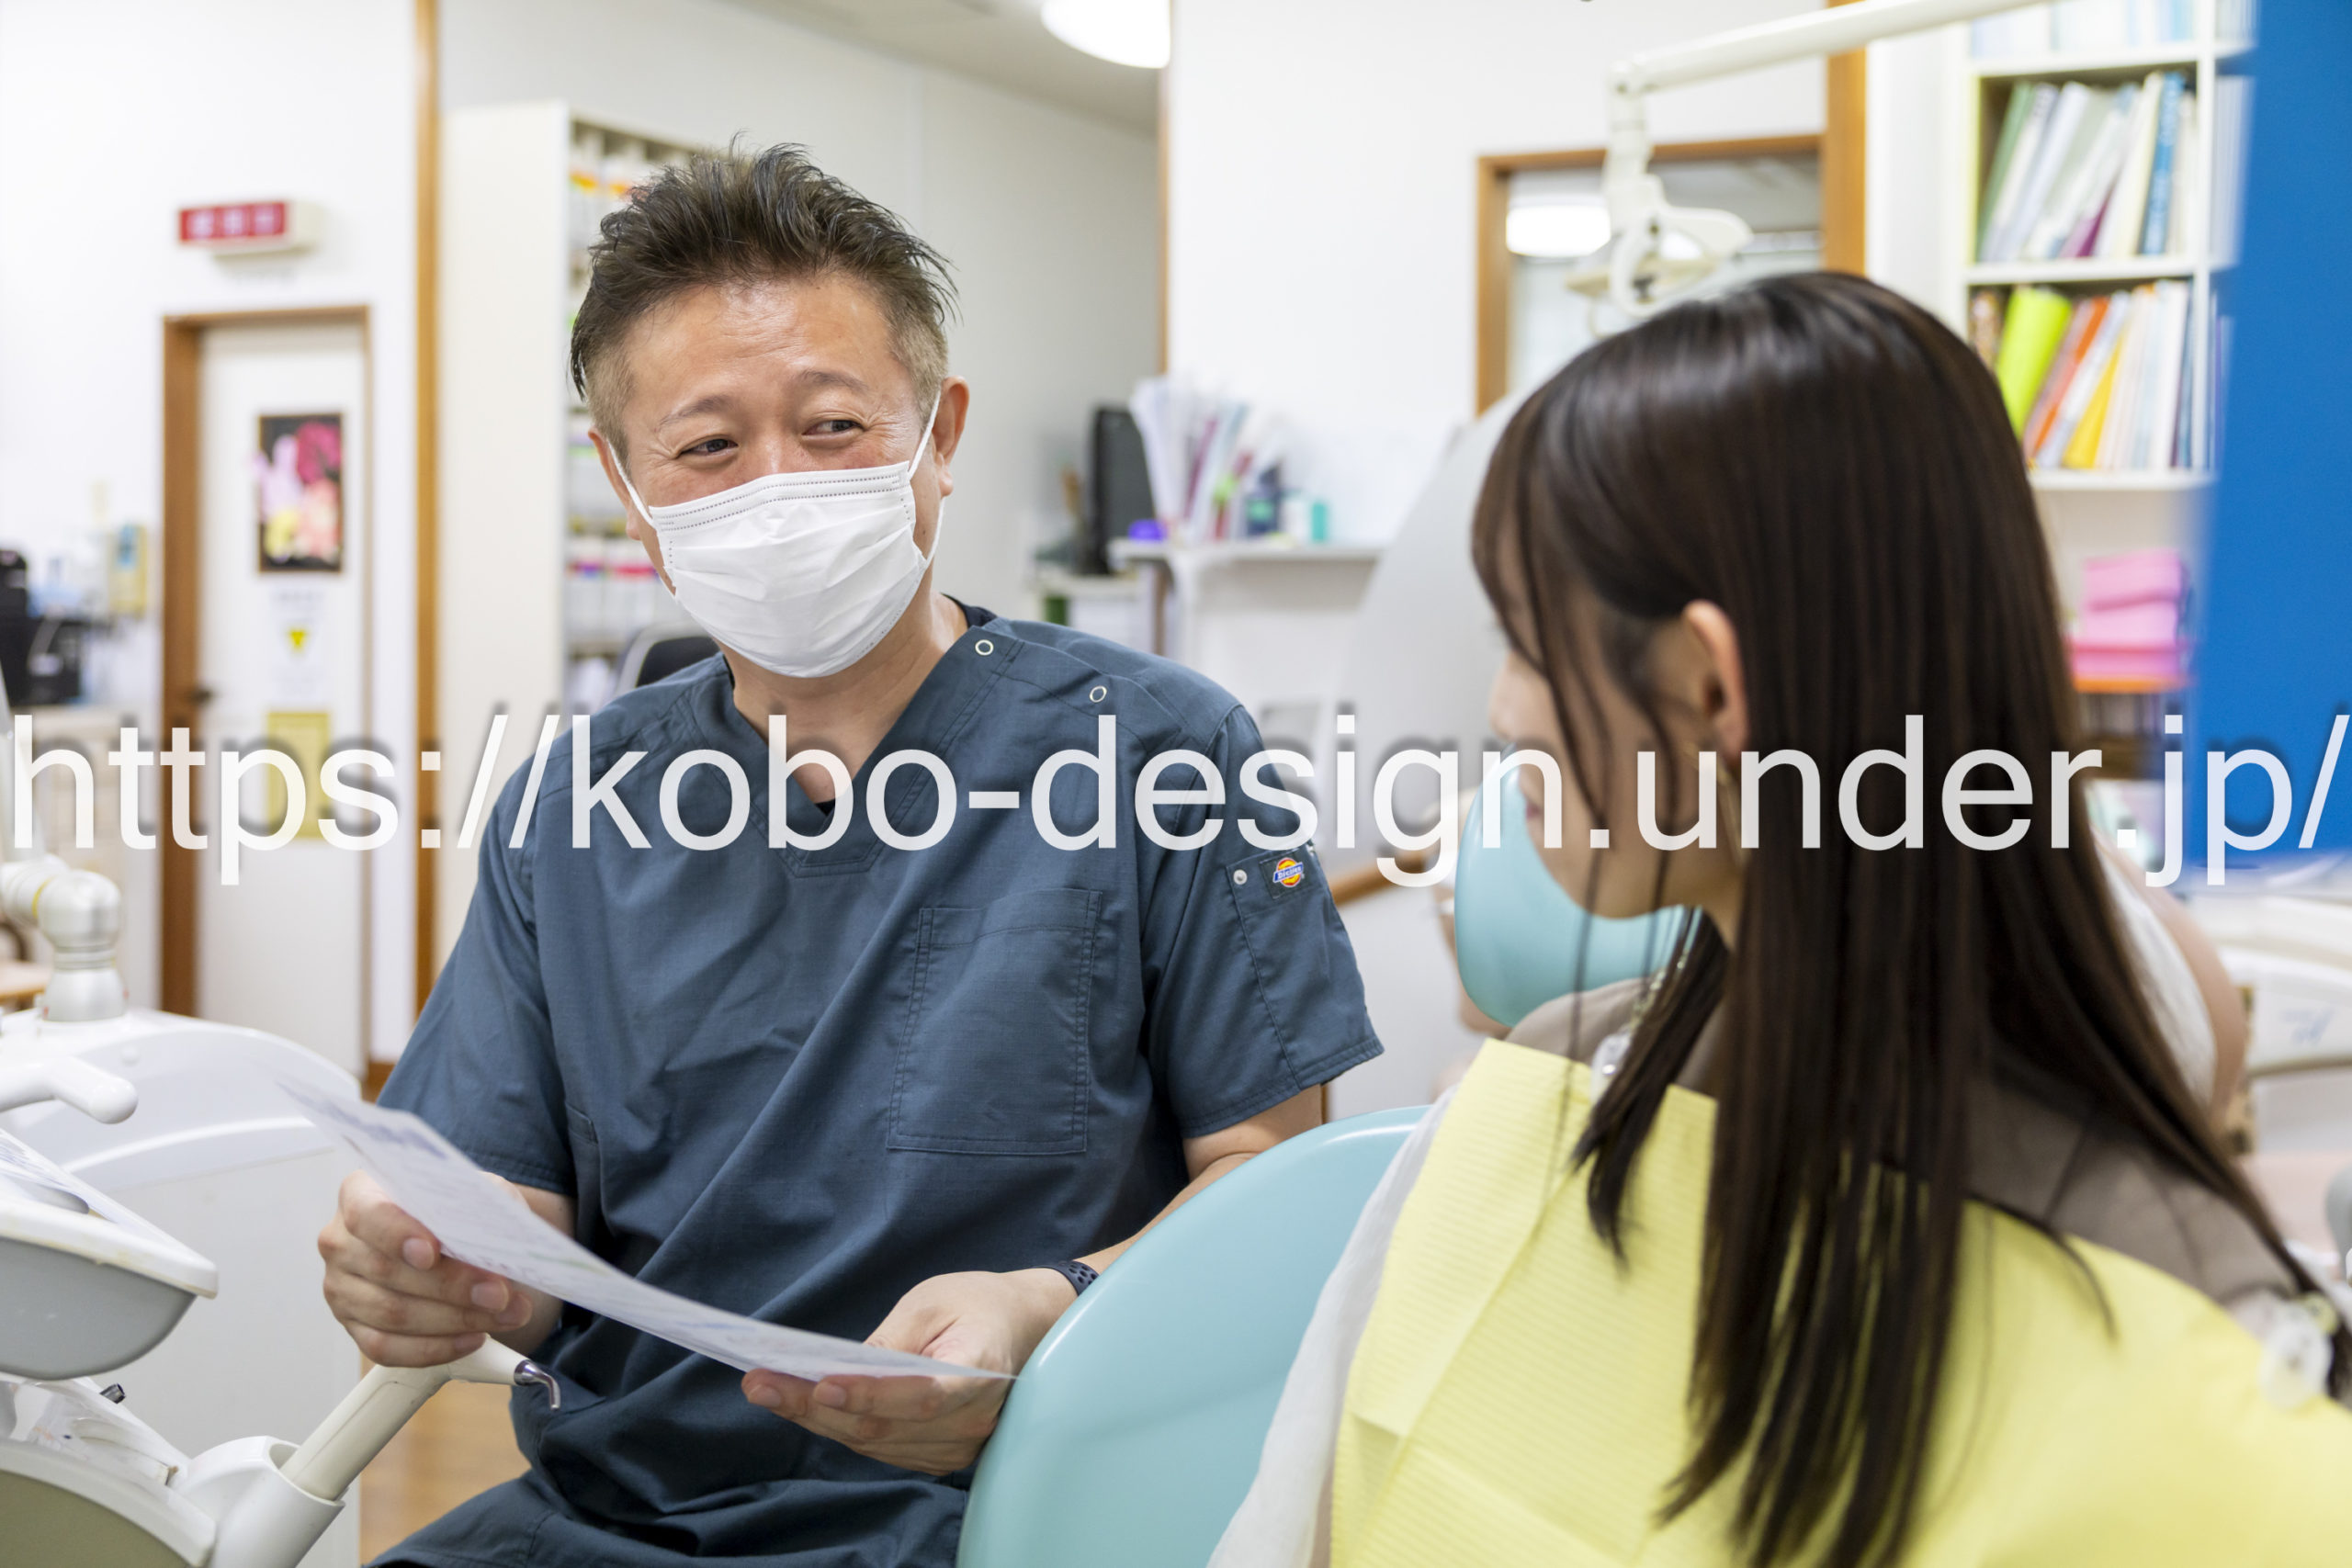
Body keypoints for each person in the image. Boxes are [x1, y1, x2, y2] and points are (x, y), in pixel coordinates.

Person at [318, 144, 1381, 1568]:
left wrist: (1050, 1308)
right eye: (708, 448)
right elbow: (513, 1211)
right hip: (618, 1514)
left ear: (938, 434)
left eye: (832, 427)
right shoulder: (573, 807)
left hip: (1005, 1513)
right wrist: (438, 1267)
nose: (779, 488)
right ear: (627, 485)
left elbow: (1268, 1181)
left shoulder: (1164, 756)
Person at [1214, 273, 2352, 1568]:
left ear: (1709, 687)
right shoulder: (1525, 1092)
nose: (1503, 709)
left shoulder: (1526, 1109)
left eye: (1526, 643)